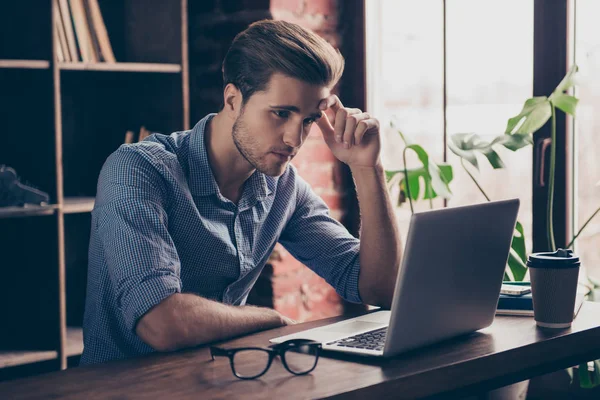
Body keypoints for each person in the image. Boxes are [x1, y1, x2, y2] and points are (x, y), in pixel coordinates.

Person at [80, 19, 401, 365]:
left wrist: (368, 168)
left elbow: (381, 289)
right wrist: (272, 321)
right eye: (281, 114)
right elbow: (160, 323)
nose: (295, 139)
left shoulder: (284, 187)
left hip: (220, 380)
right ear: (233, 99)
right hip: (122, 387)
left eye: (308, 119)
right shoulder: (139, 170)